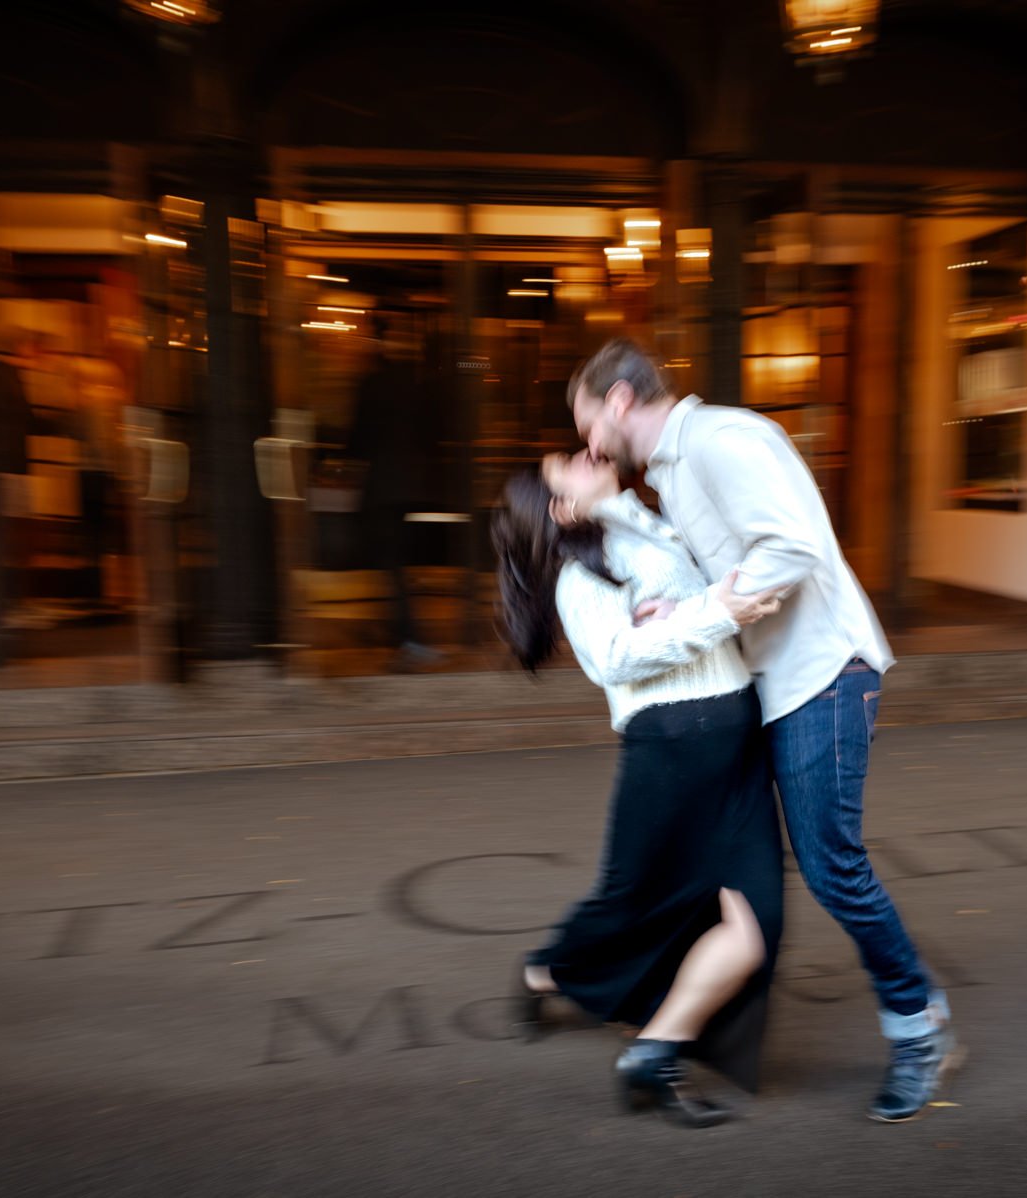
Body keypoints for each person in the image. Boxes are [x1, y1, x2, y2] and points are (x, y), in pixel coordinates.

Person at [567, 338, 963, 1123]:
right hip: (777, 685)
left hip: (822, 674)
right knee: (790, 870)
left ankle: (919, 1028)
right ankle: (670, 1030)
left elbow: (792, 546)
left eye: (583, 420)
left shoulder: (724, 438)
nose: (585, 442)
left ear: (617, 401)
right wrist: (673, 604)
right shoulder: (677, 469)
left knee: (833, 868)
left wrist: (702, 608)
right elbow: (718, 561)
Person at [492, 451, 787, 1127]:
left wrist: (687, 607)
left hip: (736, 738)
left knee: (754, 928)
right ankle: (548, 970)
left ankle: (653, 1053)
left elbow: (711, 593)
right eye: (565, 465)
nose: (582, 453)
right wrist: (711, 611)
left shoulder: (652, 528)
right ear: (562, 509)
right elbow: (612, 659)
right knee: (635, 902)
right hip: (672, 745)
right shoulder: (580, 576)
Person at [344, 318, 442, 670]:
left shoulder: (370, 382)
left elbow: (356, 441)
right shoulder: (418, 383)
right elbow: (433, 435)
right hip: (412, 489)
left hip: (381, 489)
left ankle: (407, 637)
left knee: (391, 566)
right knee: (397, 564)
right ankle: (400, 632)